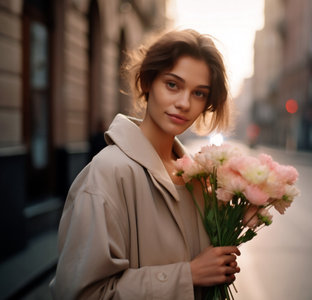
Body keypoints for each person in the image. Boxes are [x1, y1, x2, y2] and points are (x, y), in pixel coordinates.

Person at [50, 29, 240, 299]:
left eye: (199, 93)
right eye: (172, 84)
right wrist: (188, 275)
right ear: (147, 82)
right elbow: (82, 294)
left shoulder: (198, 179)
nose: (184, 103)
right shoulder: (107, 173)